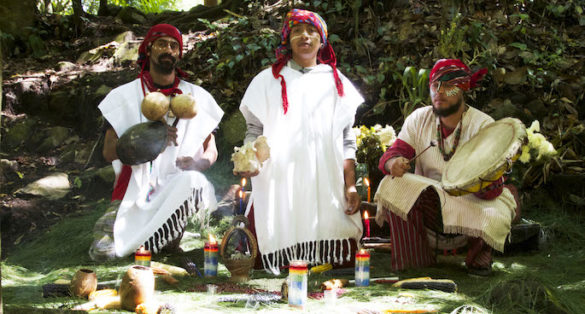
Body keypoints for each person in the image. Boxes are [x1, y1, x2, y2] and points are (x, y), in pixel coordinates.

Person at [238, 9, 364, 274]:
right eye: (297, 31)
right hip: (280, 176)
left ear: (322, 41)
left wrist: (350, 185)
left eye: (312, 31)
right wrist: (249, 158)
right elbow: (254, 129)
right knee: (271, 233)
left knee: (339, 251)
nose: (304, 36)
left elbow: (346, 138)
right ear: (287, 39)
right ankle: (284, 258)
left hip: (325, 176)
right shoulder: (267, 81)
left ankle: (322, 257)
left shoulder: (336, 82)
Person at [89, 24, 224, 261]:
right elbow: (109, 152)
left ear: (179, 54)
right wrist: (145, 140)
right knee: (104, 253)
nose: (168, 50)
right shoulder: (124, 96)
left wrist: (198, 163)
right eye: (162, 43)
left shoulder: (196, 97)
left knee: (193, 181)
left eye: (174, 46)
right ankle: (143, 237)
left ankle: (162, 238)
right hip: (132, 190)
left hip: (174, 187)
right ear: (148, 50)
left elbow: (211, 149)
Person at [375, 59, 520, 276]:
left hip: (473, 199)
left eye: (449, 86)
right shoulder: (418, 119)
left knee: (495, 208)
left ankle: (478, 259)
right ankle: (414, 262)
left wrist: (471, 182)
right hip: (432, 199)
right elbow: (394, 152)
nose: (439, 92)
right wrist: (392, 163)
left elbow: (493, 187)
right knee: (392, 183)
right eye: (435, 85)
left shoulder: (483, 125)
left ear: (463, 90)